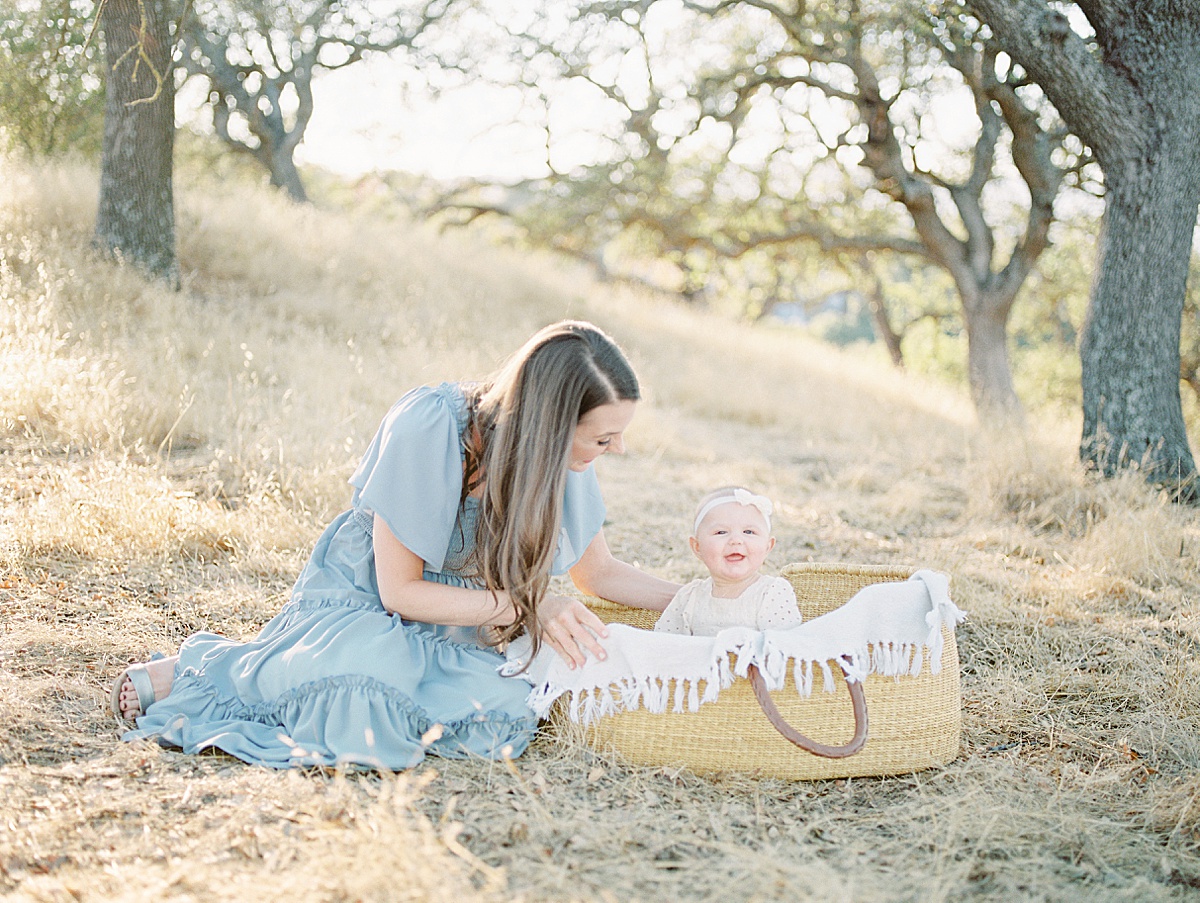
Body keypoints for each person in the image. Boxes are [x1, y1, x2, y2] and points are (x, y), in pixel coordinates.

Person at [110, 321, 679, 770]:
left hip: (463, 624)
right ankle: (206, 672)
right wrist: (528, 606)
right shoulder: (432, 424)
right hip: (369, 609)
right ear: (551, 423)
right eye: (605, 436)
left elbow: (599, 575)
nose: (618, 449)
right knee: (364, 697)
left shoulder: (564, 462)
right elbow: (399, 591)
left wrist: (705, 597)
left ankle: (298, 676)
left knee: (505, 712)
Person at [653, 487, 802, 636]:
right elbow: (665, 644)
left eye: (749, 532)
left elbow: (783, 649)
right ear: (697, 547)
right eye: (721, 532)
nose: (736, 540)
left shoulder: (772, 593)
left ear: (767, 546)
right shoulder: (689, 597)